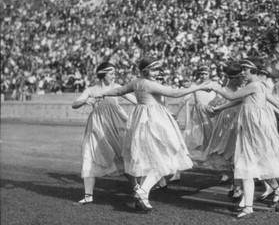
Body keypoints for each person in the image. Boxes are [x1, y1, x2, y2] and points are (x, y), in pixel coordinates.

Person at [93, 57, 211, 211]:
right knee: (164, 160)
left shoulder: (137, 82)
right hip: (154, 122)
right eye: (154, 70)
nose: (157, 73)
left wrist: (103, 93)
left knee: (151, 161)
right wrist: (198, 87)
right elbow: (175, 94)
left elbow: (119, 90)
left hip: (141, 121)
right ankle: (142, 193)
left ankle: (143, 197)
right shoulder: (149, 84)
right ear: (145, 71)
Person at [210, 59, 279, 220]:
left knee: (252, 164)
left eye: (245, 70)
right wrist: (220, 108)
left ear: (253, 71)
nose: (242, 73)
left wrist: (216, 87)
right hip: (251, 129)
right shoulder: (259, 85)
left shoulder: (255, 85)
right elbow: (241, 100)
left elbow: (230, 95)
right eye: (242, 70)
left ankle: (254, 203)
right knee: (253, 164)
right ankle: (260, 199)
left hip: (254, 130)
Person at [71, 62, 137, 206]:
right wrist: (84, 101)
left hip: (116, 125)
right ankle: (88, 195)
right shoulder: (91, 90)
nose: (114, 76)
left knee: (123, 157)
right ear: (103, 74)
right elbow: (74, 104)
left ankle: (137, 189)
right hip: (96, 127)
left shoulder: (117, 87)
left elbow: (135, 100)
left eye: (114, 73)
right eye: (111, 73)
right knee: (88, 155)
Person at [204, 63, 244, 198]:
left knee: (237, 156)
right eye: (240, 77)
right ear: (234, 79)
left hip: (238, 125)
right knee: (228, 157)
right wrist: (212, 110)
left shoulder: (243, 89)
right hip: (225, 127)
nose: (243, 79)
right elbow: (210, 106)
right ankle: (236, 184)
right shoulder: (224, 90)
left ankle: (237, 186)